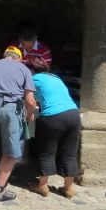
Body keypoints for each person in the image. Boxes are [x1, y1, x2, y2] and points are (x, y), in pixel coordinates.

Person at [0, 46, 36, 202]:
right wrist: (29, 114)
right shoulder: (23, 68)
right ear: (19, 58)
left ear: (4, 56)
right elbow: (30, 100)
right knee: (10, 152)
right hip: (10, 109)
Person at [28, 58, 80, 199]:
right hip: (74, 114)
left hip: (53, 116)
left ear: (31, 70)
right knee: (69, 153)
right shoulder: (55, 77)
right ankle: (68, 188)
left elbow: (29, 100)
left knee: (47, 151)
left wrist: (30, 113)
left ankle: (42, 186)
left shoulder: (33, 79)